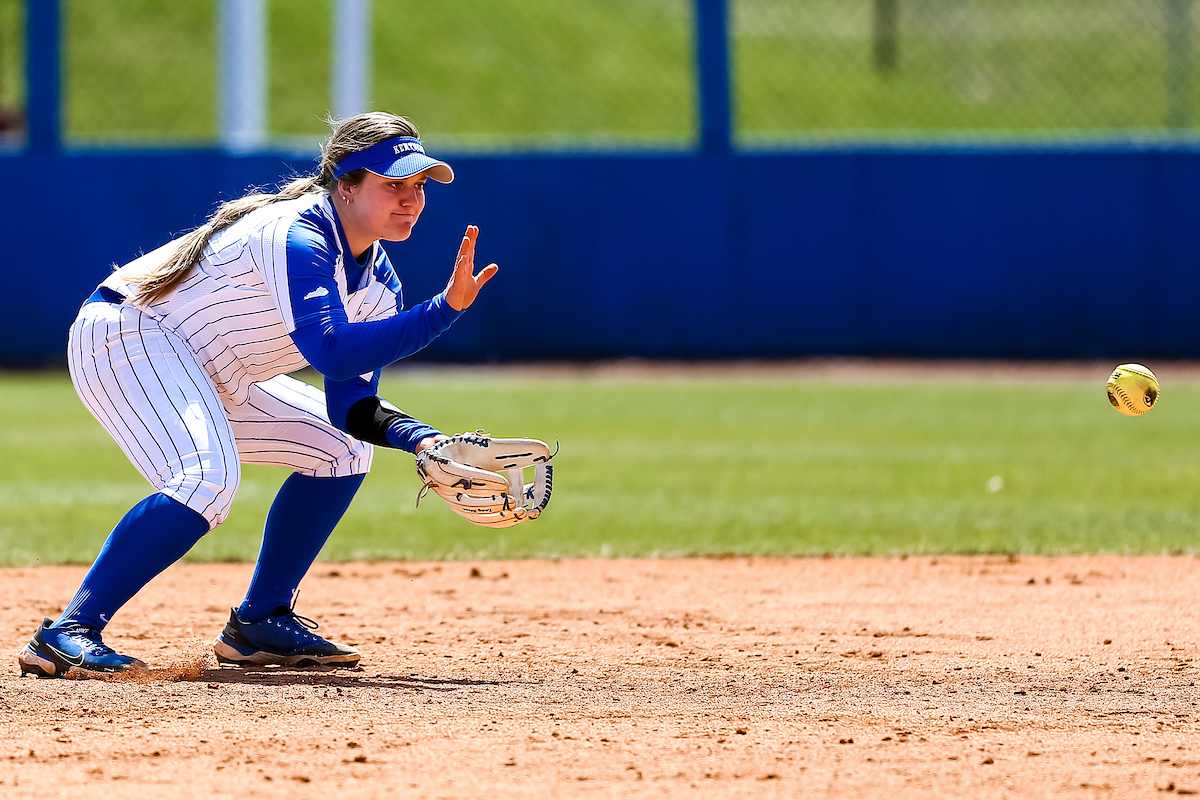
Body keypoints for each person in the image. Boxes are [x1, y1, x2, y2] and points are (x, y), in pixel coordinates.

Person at [18, 111, 497, 679]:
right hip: (126, 336)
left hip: (213, 369)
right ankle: (68, 631)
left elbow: (349, 409)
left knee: (343, 451)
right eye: (392, 183)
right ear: (345, 184)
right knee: (206, 480)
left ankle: (260, 621)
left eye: (418, 186)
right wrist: (443, 311)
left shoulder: (378, 281)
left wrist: (422, 440)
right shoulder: (299, 234)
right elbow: (332, 352)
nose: (411, 199)